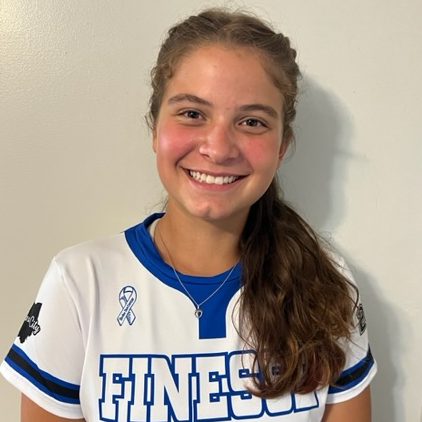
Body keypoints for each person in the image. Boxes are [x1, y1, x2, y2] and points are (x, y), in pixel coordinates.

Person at [0, 8, 376, 422]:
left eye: (252, 122)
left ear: (282, 146)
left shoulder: (326, 282)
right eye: (193, 114)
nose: (218, 148)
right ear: (155, 128)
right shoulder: (79, 283)